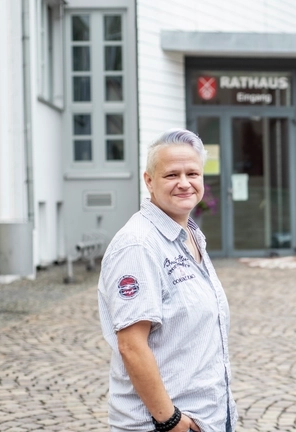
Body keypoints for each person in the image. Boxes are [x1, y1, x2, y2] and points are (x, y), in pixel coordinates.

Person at [98, 129, 237, 432]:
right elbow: (131, 345)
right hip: (164, 424)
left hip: (207, 416)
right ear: (149, 180)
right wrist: (170, 420)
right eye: (171, 175)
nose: (184, 183)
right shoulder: (139, 245)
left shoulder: (188, 234)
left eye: (192, 173)